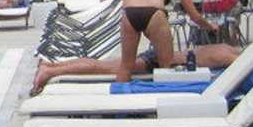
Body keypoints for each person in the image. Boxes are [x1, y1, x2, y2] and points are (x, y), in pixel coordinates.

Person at [114, 0, 217, 84]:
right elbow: (194, 16)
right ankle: (165, 94)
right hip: (154, 12)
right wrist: (211, 26)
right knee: (166, 66)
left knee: (126, 66)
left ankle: (119, 94)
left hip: (129, 12)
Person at [30, 42, 242, 94]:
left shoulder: (228, 48)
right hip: (155, 63)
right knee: (100, 68)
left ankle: (51, 66)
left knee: (101, 65)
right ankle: (52, 71)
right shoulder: (230, 56)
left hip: (157, 58)